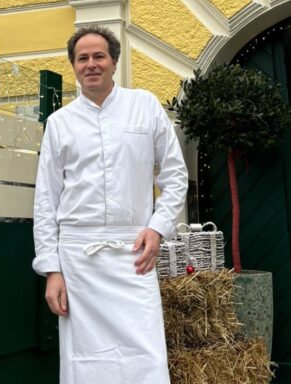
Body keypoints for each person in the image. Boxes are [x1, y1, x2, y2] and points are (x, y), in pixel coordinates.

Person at [33, 24, 188, 384]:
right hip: (77, 260)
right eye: (82, 58)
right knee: (85, 359)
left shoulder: (145, 106)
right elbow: (45, 200)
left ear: (114, 62)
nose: (91, 64)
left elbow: (175, 174)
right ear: (73, 66)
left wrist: (158, 226)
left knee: (145, 353)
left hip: (134, 253)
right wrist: (51, 269)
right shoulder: (59, 123)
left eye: (99, 56)